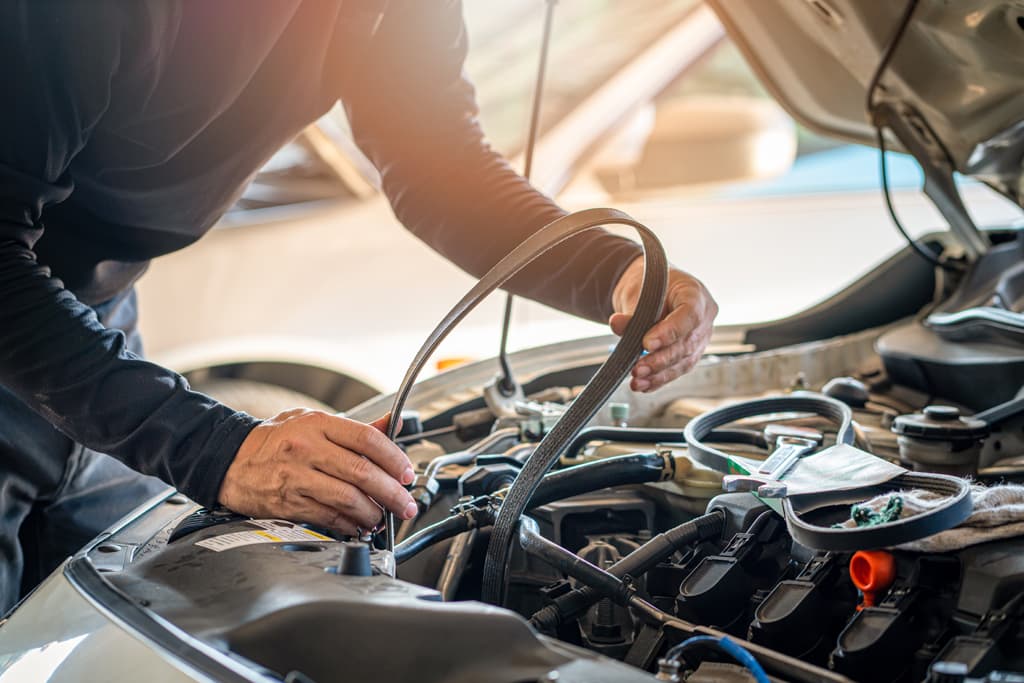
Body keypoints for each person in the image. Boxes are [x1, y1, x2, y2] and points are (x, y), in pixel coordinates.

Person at [0, 1, 717, 612]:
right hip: (25, 325)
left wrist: (619, 271)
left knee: (86, 638)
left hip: (83, 334)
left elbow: (435, 159)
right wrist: (215, 448)